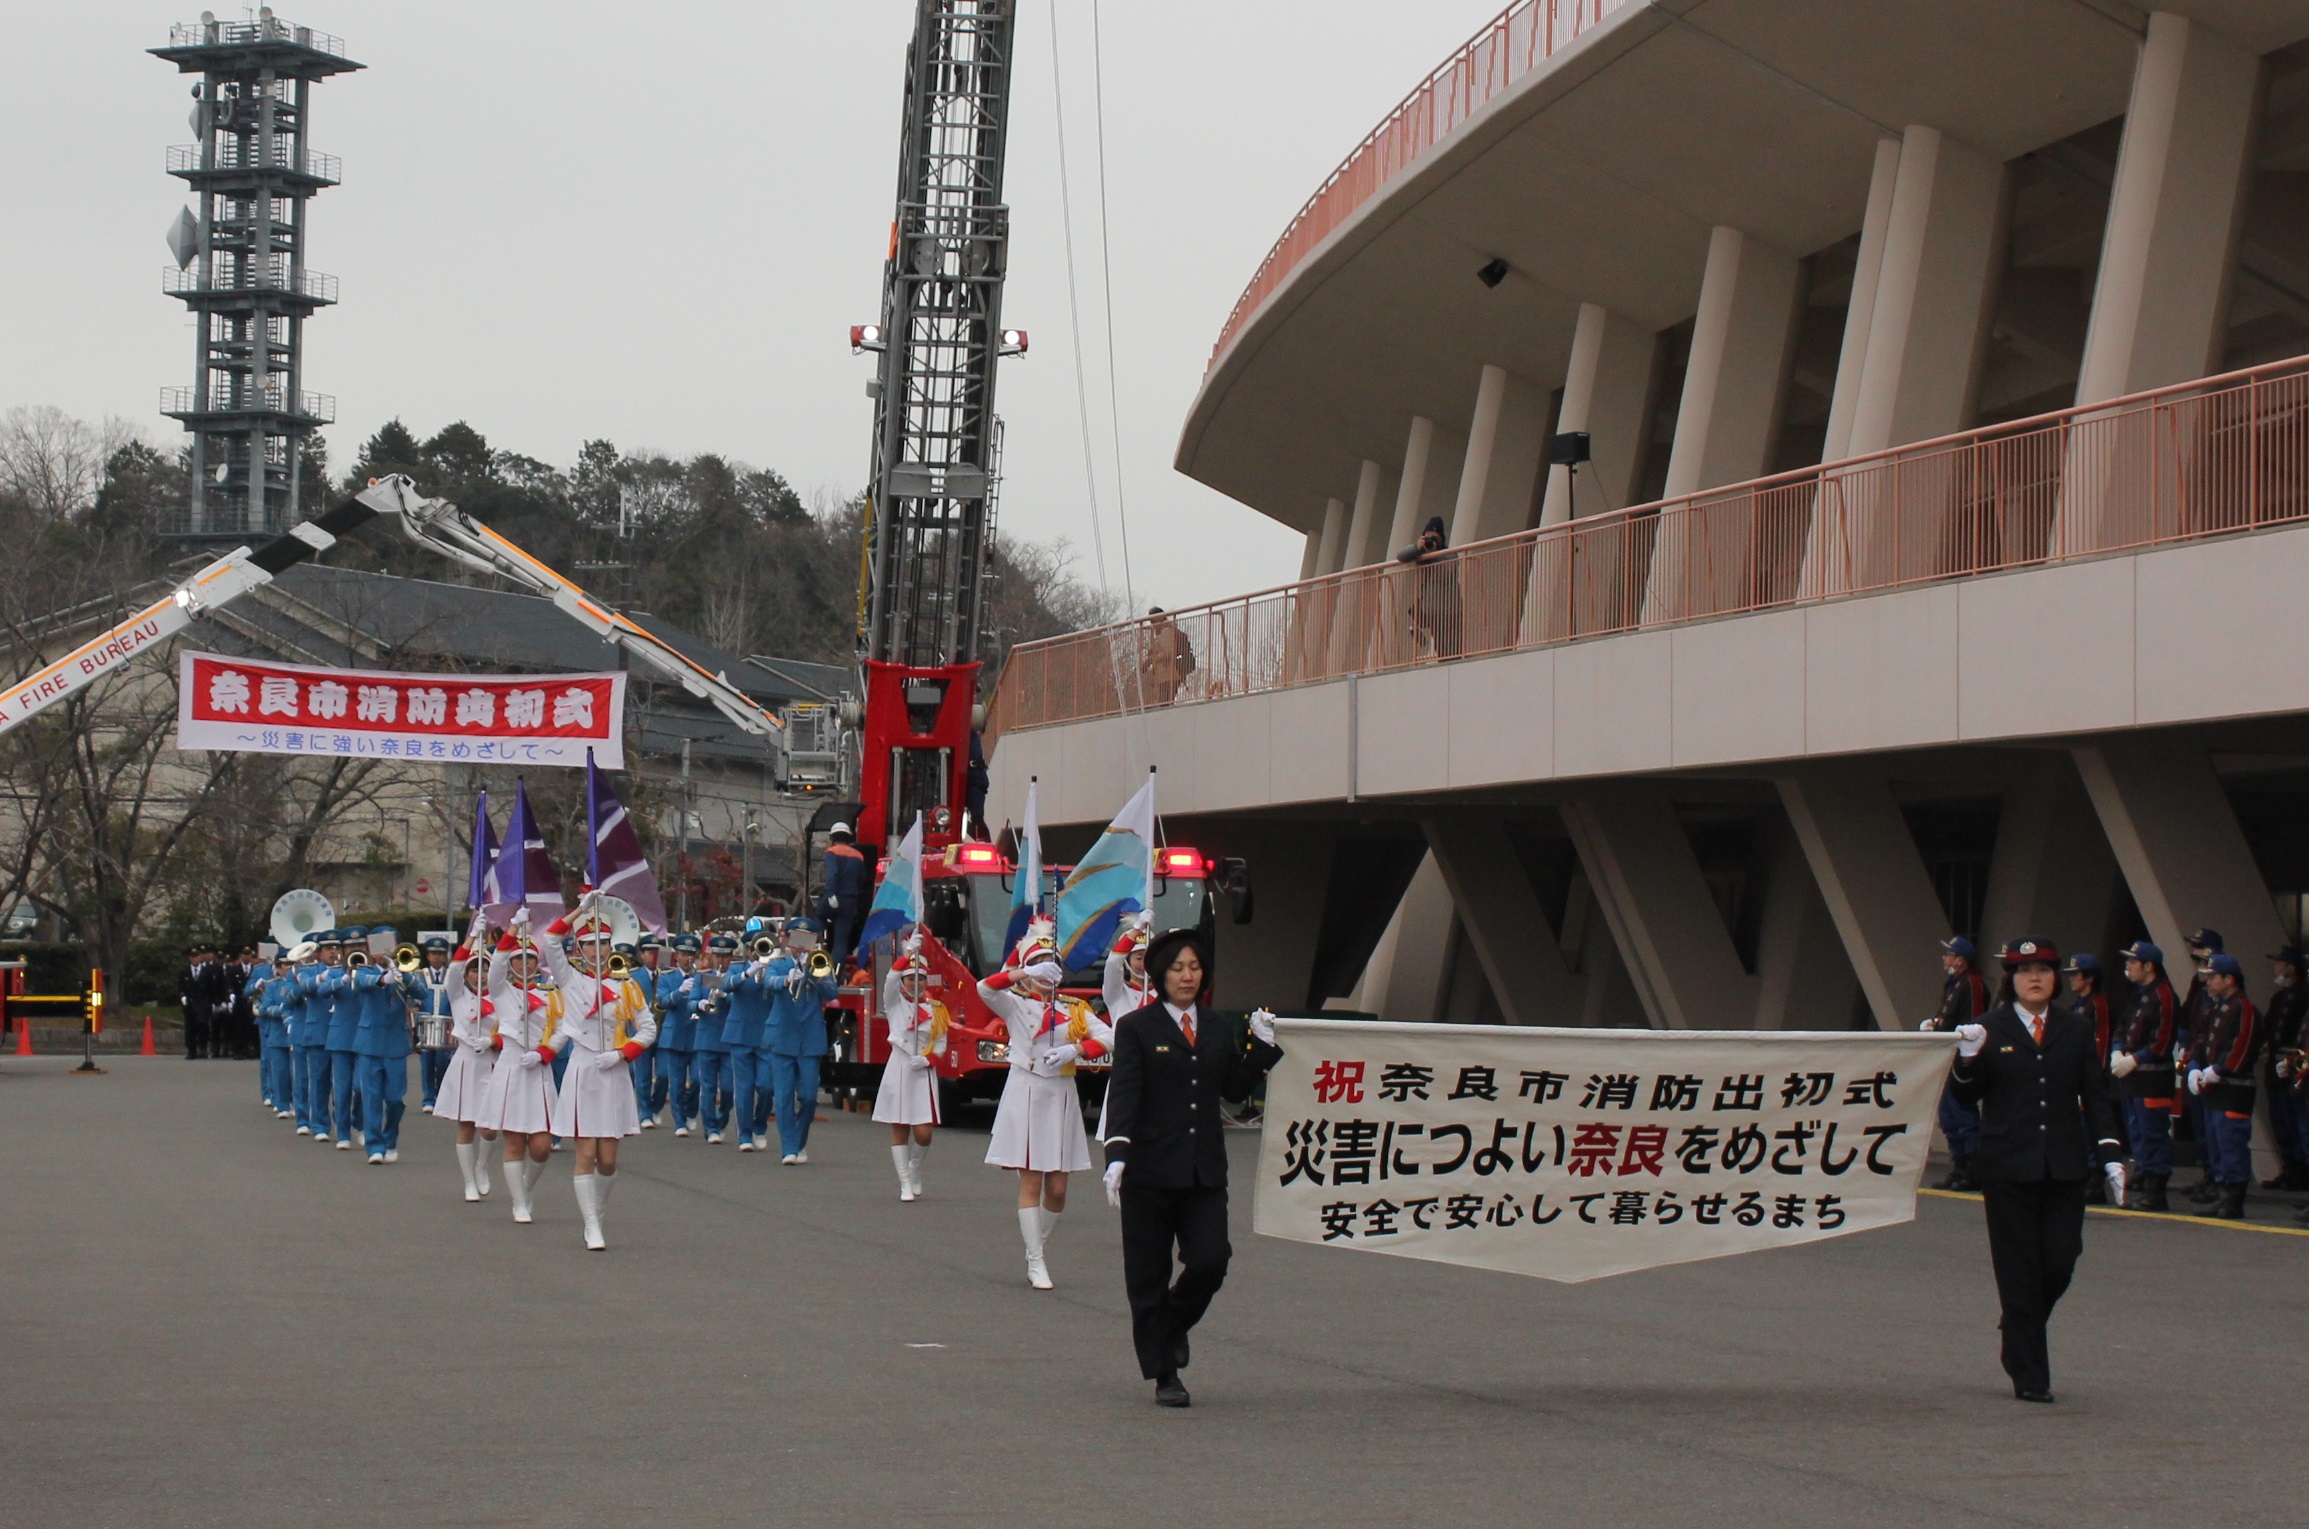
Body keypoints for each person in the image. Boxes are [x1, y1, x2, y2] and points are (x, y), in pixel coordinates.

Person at [1100, 928, 1282, 1408]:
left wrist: (1262, 1047)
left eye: (1195, 967)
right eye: (1178, 968)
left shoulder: (1218, 1025)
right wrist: (1116, 1154)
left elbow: (1236, 1090)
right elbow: (1124, 1094)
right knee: (1148, 1275)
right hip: (1148, 1171)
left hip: (1203, 1170)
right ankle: (1164, 1374)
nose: (1187, 976)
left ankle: (1173, 1324)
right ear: (1160, 975)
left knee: (1210, 1259)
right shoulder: (1138, 1027)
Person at [1946, 937, 2124, 1404]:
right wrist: (1966, 1060)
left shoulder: (2075, 1028)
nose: (2036, 978)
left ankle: (2017, 1329)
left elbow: (2095, 1093)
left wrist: (2110, 1153)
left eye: (2044, 970)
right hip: (2007, 1164)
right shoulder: (1989, 1026)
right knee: (2017, 1268)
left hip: (2063, 1162)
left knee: (2061, 1260)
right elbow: (1965, 1096)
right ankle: (2030, 1372)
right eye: (2026, 971)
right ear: (2013, 979)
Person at [978, 917, 1113, 1290]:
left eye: (1049, 966)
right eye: (1039, 966)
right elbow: (984, 988)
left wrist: (1077, 1048)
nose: (1045, 974)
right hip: (1025, 1090)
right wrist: (1023, 970)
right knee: (1032, 1181)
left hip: (1060, 1093)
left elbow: (1113, 1036)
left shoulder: (1074, 1008)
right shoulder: (1014, 1004)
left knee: (1058, 1189)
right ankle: (1036, 1260)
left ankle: (1037, 1245)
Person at [538, 900, 658, 1251]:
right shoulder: (569, 977)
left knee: (608, 1161)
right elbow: (549, 941)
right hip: (583, 1069)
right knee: (585, 1154)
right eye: (589, 943)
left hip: (614, 1070)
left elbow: (647, 1029)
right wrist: (581, 909)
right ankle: (591, 1224)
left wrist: (622, 1054)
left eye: (603, 943)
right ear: (581, 947)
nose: (597, 949)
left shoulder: (627, 985)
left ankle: (598, 1213)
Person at [480, 921, 560, 1224]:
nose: (523, 964)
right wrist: (512, 930)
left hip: (538, 1068)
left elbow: (564, 1027)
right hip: (512, 1066)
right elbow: (496, 965)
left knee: (541, 1147)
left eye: (529, 958)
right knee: (514, 1141)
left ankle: (525, 1189)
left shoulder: (551, 993)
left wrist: (545, 1052)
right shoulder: (501, 990)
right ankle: (518, 1203)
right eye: (518, 959)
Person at [2184, 952, 2262, 1221]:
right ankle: (2221, 1193)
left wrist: (2218, 1068)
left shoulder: (2244, 1008)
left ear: (2229, 979)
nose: (2207, 982)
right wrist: (2194, 1065)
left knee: (2231, 1143)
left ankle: (2233, 1200)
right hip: (2214, 1089)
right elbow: (2200, 1040)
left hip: (2234, 1089)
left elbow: (2242, 1046)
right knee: (2216, 1143)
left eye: (2212, 977)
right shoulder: (2214, 1007)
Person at [873, 938, 948, 1201]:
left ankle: (915, 1167)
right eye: (910, 979)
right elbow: (890, 979)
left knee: (924, 1132)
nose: (915, 984)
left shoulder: (937, 1010)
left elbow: (940, 1044)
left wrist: (929, 1060)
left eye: (921, 979)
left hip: (921, 1070)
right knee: (900, 1128)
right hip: (899, 1067)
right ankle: (904, 1182)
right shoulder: (894, 1002)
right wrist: (906, 954)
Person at [2109, 941, 2180, 1211]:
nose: (2127, 967)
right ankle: (2144, 1180)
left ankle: (2156, 1191)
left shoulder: (2164, 996)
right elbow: (2123, 1027)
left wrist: (2136, 1058)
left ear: (2149, 966)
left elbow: (2161, 1043)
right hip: (2133, 1078)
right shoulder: (2139, 994)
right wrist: (2117, 1051)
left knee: (2153, 1134)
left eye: (2133, 962)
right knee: (2137, 1132)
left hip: (2152, 1078)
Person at [764, 917, 841, 1164]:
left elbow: (832, 994)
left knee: (808, 1096)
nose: (799, 946)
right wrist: (788, 978)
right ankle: (789, 1147)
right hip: (782, 1036)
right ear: (787, 940)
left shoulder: (820, 965)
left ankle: (799, 1140)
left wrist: (814, 972)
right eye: (796, 940)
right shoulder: (778, 964)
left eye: (806, 941)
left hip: (809, 1038)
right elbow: (769, 983)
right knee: (784, 1096)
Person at [432, 921, 499, 1202]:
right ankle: (469, 1181)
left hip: (493, 1062)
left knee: (490, 1126)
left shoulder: (500, 995)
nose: (480, 975)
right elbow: (455, 969)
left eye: (485, 969)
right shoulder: (458, 994)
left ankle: (482, 1166)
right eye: (476, 969)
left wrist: (494, 1041)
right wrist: (472, 937)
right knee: (466, 1125)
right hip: (466, 1062)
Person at [1919, 935, 1989, 1191]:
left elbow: (1974, 1021)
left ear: (1961, 960)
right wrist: (1935, 1026)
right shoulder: (1954, 984)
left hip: (1961, 1058)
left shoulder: (1972, 984)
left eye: (1949, 954)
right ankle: (1958, 1165)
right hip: (1947, 1055)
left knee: (1963, 1112)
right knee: (1948, 1116)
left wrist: (1968, 1054)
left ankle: (1972, 1168)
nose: (1945, 959)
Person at [350, 928, 413, 1166]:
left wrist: (403, 975)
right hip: (369, 1045)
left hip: (396, 1045)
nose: (386, 952)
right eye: (381, 947)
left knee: (396, 1099)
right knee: (371, 1097)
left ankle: (390, 1140)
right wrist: (381, 978)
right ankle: (374, 1146)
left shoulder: (405, 972)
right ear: (372, 950)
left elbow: (420, 993)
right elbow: (361, 982)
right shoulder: (364, 972)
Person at [2258, 945, 2309, 1192]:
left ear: (2291, 967)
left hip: (2295, 1065)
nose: (2276, 967)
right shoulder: (2280, 997)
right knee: (2281, 1120)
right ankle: (2289, 1167)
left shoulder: (2303, 994)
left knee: (2297, 1121)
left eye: (2280, 963)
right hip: (2277, 1064)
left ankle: (2301, 1171)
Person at [721, 924, 775, 1153]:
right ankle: (744, 1134)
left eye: (762, 948)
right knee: (743, 1088)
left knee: (766, 1086)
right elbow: (725, 986)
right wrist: (747, 973)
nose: (758, 952)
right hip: (741, 1034)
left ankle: (759, 1127)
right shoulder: (737, 969)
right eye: (755, 948)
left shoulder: (774, 969)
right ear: (749, 950)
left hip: (765, 1036)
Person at [292, 931, 346, 1145]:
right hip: (319, 1033)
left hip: (342, 1032)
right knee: (320, 1080)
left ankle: (343, 1123)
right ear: (319, 953)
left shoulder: (348, 969)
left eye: (336, 948)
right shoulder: (309, 970)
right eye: (328, 948)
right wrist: (323, 977)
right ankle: (320, 1125)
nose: (333, 952)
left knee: (344, 1084)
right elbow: (304, 987)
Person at [324, 929, 369, 1151]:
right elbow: (322, 990)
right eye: (350, 947)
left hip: (364, 1036)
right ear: (343, 951)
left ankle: (359, 1125)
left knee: (361, 1086)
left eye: (359, 945)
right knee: (341, 1089)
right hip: (340, 1037)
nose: (355, 950)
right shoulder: (333, 973)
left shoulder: (371, 972)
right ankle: (342, 1131)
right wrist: (343, 978)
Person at [1394, 515, 1461, 660]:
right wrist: (1417, 547)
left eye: (1435, 538)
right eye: (1428, 537)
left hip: (1449, 609)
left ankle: (1449, 663)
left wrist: (1433, 554)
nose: (1431, 541)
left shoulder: (1449, 554)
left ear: (1442, 539)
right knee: (1438, 642)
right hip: (1431, 607)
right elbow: (1401, 556)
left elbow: (1446, 573)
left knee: (1450, 649)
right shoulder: (1420, 553)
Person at [691, 934, 735, 1145]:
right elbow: (690, 1002)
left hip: (728, 1039)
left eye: (725, 956)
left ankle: (721, 1119)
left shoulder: (737, 977)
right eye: (717, 956)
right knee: (707, 1086)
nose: (721, 960)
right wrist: (699, 1004)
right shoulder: (702, 977)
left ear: (731, 957)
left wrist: (727, 995)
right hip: (707, 1037)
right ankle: (710, 1128)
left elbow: (744, 1001)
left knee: (728, 1088)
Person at [654, 934, 700, 1134]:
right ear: (676, 956)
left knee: (698, 1079)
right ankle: (679, 1122)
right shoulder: (667, 978)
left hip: (696, 1034)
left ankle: (691, 1111)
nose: (687, 958)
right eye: (683, 954)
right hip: (674, 1036)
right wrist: (678, 992)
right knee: (677, 1082)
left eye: (690, 954)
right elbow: (662, 1002)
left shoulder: (702, 977)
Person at [409, 937, 457, 1115]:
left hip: (446, 1024)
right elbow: (411, 998)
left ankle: (441, 1096)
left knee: (443, 1062)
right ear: (427, 956)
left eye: (440, 954)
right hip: (425, 1025)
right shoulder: (419, 975)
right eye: (433, 954)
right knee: (427, 1063)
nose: (437, 957)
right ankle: (428, 1098)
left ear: (445, 956)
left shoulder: (452, 975)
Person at [628, 936, 666, 1127]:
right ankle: (644, 1113)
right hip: (641, 1029)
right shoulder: (633, 976)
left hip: (664, 1031)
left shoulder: (667, 974)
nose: (653, 956)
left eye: (656, 952)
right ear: (641, 955)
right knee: (642, 1075)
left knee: (663, 1074)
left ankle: (656, 1106)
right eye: (649, 952)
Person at [247, 948, 288, 1116]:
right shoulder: (261, 970)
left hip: (288, 1022)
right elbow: (246, 991)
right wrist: (256, 986)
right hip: (267, 1022)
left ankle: (285, 1097)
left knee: (288, 1065)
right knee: (268, 1060)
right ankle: (269, 1093)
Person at [819, 823, 869, 964]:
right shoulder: (858, 855)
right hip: (849, 901)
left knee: (818, 918)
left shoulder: (831, 851)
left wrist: (830, 894)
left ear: (832, 837)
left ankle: (819, 945)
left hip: (834, 896)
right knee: (841, 943)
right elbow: (862, 879)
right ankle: (837, 975)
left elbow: (832, 874)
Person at [1138, 607, 1196, 706]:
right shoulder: (1168, 631)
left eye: (1152, 620)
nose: (1152, 624)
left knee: (1165, 702)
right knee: (1166, 702)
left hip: (1168, 674)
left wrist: (1151, 658)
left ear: (1159, 618)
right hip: (1169, 674)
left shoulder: (1166, 632)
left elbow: (1167, 654)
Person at [178, 944, 219, 1060]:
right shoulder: (184, 971)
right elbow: (181, 987)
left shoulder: (207, 971)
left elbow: (212, 988)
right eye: (192, 957)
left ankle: (202, 1047)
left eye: (196, 956)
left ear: (200, 958)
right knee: (190, 1027)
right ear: (189, 958)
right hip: (190, 1002)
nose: (194, 959)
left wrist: (215, 1002)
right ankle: (191, 1050)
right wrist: (183, 997)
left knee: (203, 1026)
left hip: (203, 1003)